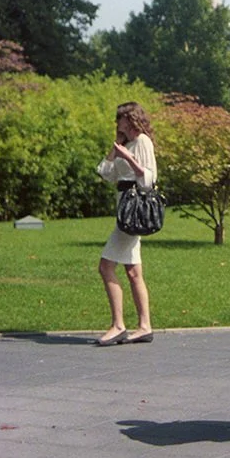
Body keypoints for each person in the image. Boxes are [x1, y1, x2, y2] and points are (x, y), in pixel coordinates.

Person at [96, 101, 157, 345]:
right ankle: (144, 325)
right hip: (123, 208)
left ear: (130, 119)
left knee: (105, 266)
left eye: (120, 119)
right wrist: (116, 150)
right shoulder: (126, 144)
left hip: (133, 211)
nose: (117, 123)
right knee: (133, 272)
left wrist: (129, 158)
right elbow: (105, 173)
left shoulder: (142, 142)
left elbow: (148, 179)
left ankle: (118, 324)